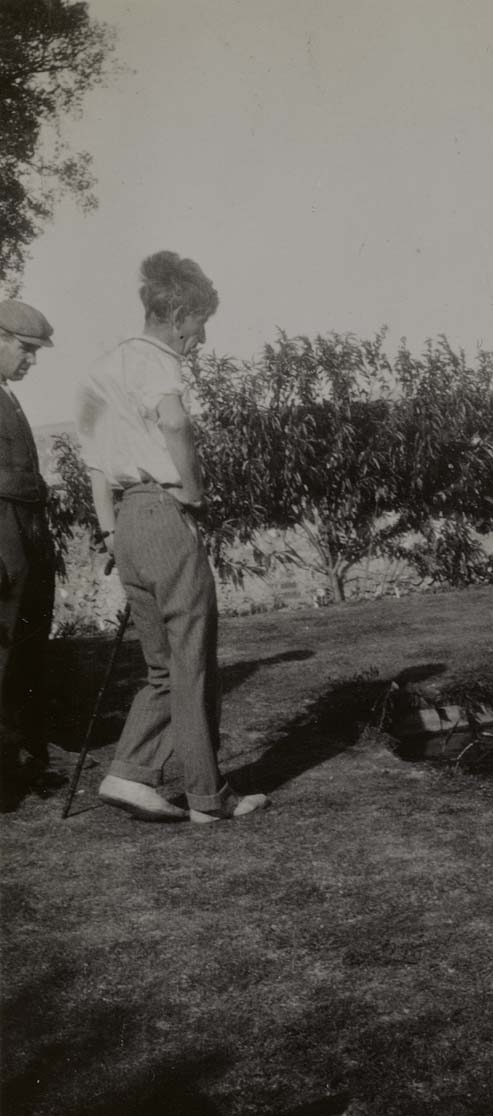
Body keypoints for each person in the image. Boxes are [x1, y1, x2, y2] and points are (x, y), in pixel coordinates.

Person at [76, 251, 268, 824]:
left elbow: (92, 462)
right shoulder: (158, 359)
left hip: (126, 524)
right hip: (162, 510)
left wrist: (110, 530)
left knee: (163, 666)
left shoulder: (101, 368)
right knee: (192, 660)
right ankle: (210, 799)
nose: (201, 338)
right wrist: (194, 489)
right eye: (200, 323)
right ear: (179, 313)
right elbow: (177, 423)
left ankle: (128, 774)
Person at [0, 299, 57, 808]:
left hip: (24, 538)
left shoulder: (7, 396)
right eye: (25, 349)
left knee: (23, 656)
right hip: (3, 546)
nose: (31, 361)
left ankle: (21, 764)